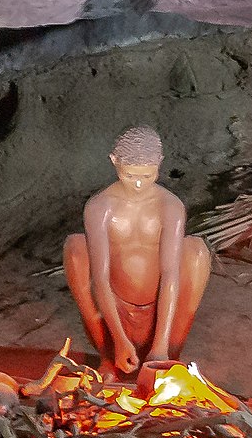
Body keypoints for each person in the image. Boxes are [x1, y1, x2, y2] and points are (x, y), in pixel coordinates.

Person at [63, 125, 212, 371]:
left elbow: (170, 274)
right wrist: (119, 341)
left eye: (147, 176)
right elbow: (99, 278)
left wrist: (162, 344)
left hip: (160, 308)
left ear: (160, 164)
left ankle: (169, 356)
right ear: (114, 161)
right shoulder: (100, 206)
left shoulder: (170, 206)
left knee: (195, 252)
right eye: (130, 176)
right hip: (115, 305)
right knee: (76, 249)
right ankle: (108, 358)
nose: (139, 185)